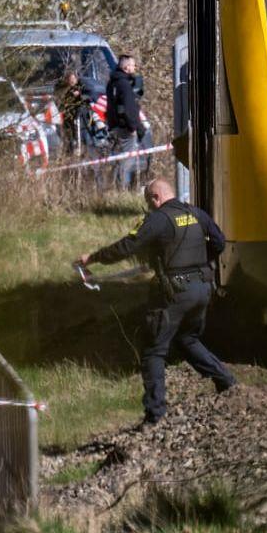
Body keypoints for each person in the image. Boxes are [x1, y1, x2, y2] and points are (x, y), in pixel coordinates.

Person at [76, 178, 235, 425]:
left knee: (153, 350)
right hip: (203, 288)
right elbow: (220, 242)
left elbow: (127, 246)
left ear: (155, 198)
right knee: (187, 339)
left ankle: (155, 414)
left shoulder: (158, 219)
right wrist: (199, 263)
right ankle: (227, 382)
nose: (149, 207)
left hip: (175, 292)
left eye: (149, 203)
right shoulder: (196, 213)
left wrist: (93, 258)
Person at [105, 55, 145, 190]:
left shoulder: (112, 83)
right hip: (125, 129)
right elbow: (129, 108)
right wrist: (133, 127)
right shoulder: (124, 84)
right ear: (126, 67)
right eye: (133, 65)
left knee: (118, 160)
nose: (135, 67)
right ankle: (122, 190)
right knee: (127, 160)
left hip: (114, 127)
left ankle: (115, 188)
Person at [55, 73, 87, 156]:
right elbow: (60, 101)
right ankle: (70, 151)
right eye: (70, 80)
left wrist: (79, 93)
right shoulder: (63, 89)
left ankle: (80, 150)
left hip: (78, 114)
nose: (72, 81)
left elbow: (84, 98)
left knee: (78, 132)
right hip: (67, 115)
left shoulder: (80, 86)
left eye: (73, 79)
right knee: (68, 134)